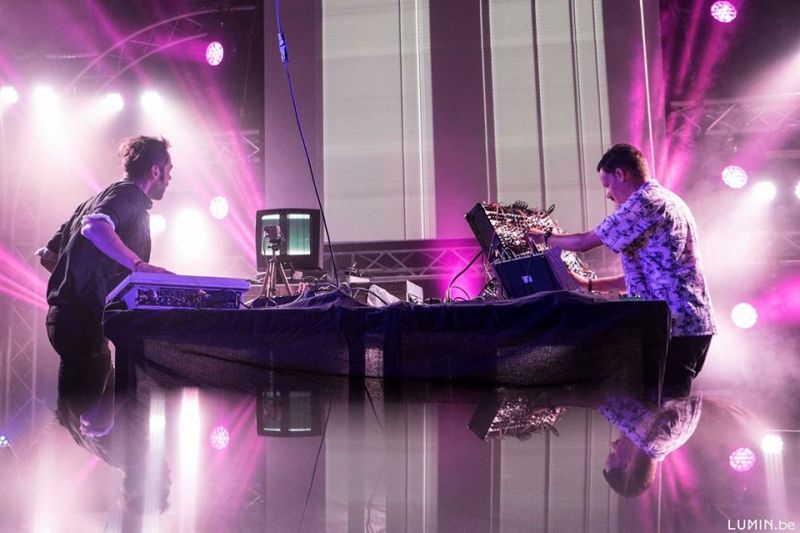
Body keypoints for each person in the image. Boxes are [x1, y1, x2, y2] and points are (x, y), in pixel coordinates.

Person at [36, 135, 173, 515]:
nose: (169, 180)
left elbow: (47, 254)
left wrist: (85, 276)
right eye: (169, 172)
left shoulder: (95, 199)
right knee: (87, 412)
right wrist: (137, 266)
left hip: (72, 322)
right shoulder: (129, 196)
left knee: (81, 411)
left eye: (165, 479)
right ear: (155, 170)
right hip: (80, 323)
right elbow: (95, 228)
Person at [528, 144, 716, 398]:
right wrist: (588, 284)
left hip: (675, 326)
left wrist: (544, 238)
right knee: (663, 409)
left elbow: (583, 242)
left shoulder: (645, 202)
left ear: (620, 174)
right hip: (690, 324)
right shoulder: (669, 199)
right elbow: (652, 274)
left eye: (607, 185)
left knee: (664, 412)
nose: (608, 195)